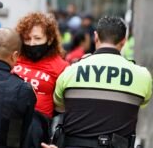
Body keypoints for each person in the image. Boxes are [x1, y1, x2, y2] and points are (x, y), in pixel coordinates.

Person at [53, 16, 152, 148]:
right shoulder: (142, 76)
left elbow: (59, 105)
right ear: (123, 41)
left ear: (95, 36)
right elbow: (143, 102)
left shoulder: (70, 72)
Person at [12, 12, 69, 148]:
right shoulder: (14, 58)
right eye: (27, 39)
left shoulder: (60, 66)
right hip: (11, 116)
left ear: (49, 39)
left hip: (38, 124)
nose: (32, 43)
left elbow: (63, 106)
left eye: (37, 38)